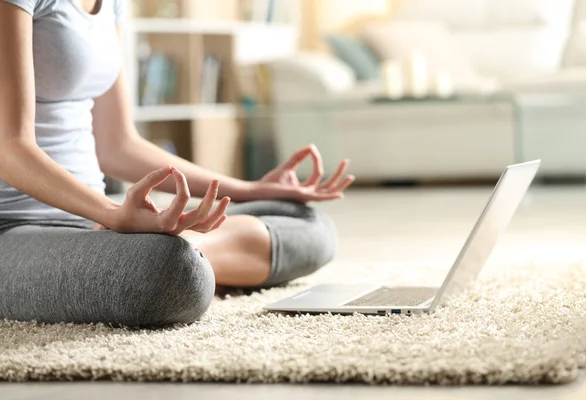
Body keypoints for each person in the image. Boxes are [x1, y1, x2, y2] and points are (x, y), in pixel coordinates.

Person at [0, 0, 354, 326]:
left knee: (306, 223)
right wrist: (113, 214)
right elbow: (11, 150)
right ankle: (181, 253)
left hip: (94, 222)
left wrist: (249, 189)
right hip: (13, 230)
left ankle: (180, 250)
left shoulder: (113, 4)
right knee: (173, 274)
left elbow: (118, 145)